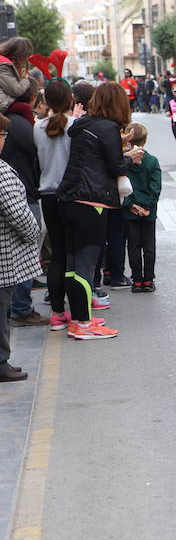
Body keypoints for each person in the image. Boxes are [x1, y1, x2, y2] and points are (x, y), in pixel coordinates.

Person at [57, 83, 143, 339]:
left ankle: (78, 319)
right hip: (91, 202)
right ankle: (84, 324)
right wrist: (132, 156)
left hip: (69, 199)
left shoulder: (83, 124)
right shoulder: (107, 127)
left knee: (72, 265)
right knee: (86, 265)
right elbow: (116, 166)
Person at [2, 77, 47, 327]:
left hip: (26, 190)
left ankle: (19, 306)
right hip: (24, 193)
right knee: (25, 250)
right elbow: (38, 154)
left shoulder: (15, 119)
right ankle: (21, 308)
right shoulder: (20, 123)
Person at [0, 112, 41, 381]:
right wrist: (34, 233)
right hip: (3, 254)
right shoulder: (1, 171)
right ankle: (1, 362)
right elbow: (17, 212)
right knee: (1, 311)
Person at [35, 79, 78, 332]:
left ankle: (57, 313)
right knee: (74, 253)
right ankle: (77, 311)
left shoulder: (36, 127)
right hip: (71, 195)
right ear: (70, 99)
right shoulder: (75, 125)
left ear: (46, 101)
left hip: (47, 195)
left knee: (58, 254)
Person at [121, 122, 161, 293]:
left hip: (130, 210)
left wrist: (131, 205)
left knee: (133, 246)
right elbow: (156, 187)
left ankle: (137, 280)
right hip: (149, 211)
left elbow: (121, 186)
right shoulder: (152, 161)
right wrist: (147, 206)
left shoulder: (124, 161)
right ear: (145, 139)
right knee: (149, 246)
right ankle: (148, 280)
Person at [0, 37, 35, 113]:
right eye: (25, 56)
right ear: (20, 54)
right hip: (3, 104)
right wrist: (25, 79)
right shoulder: (4, 66)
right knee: (25, 108)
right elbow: (16, 90)